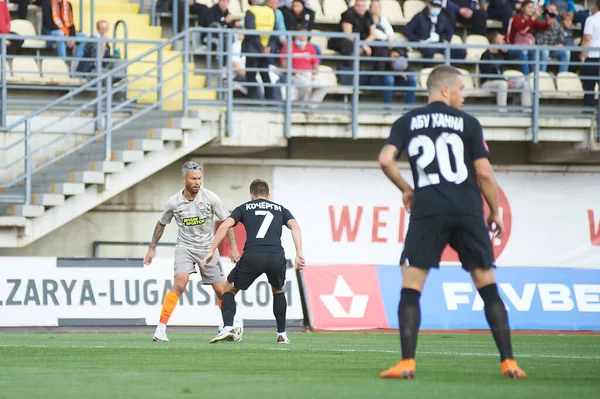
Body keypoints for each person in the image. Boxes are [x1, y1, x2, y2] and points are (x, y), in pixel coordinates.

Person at [378, 65, 526, 380]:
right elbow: (484, 173)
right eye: (461, 89)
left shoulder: (407, 121)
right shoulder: (469, 123)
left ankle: (406, 363)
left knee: (411, 288)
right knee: (487, 287)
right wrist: (495, 210)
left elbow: (385, 159)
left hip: (428, 209)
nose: (465, 95)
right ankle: (509, 363)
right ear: (444, 89)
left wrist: (407, 189)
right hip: (468, 209)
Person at [144, 161, 241, 342]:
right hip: (185, 248)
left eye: (199, 178)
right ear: (184, 179)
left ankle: (230, 325)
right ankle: (161, 328)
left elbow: (227, 222)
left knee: (222, 291)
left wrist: (234, 247)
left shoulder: (211, 198)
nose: (197, 182)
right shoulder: (174, 202)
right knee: (180, 282)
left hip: (207, 249)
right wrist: (151, 249)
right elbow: (161, 224)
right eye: (193, 178)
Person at [202, 179, 305, 344]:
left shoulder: (244, 207)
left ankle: (228, 327)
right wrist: (299, 253)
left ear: (251, 195)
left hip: (253, 255)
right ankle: (282, 334)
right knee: (278, 291)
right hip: (276, 255)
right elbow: (295, 226)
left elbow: (225, 225)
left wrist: (211, 250)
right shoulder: (280, 209)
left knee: (228, 289)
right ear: (268, 196)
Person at [480, 32, 532, 111]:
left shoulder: (501, 54)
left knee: (524, 83)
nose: (503, 39)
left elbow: (511, 63)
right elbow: (489, 75)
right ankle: (502, 111)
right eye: (500, 38)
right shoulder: (485, 55)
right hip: (488, 82)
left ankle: (527, 110)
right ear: (495, 41)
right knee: (503, 84)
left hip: (503, 80)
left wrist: (506, 51)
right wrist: (506, 81)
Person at [280, 27, 328, 106]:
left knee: (324, 85)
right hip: (295, 75)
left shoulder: (311, 47)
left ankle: (310, 107)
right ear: (295, 36)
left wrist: (314, 74)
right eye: (300, 35)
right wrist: (296, 72)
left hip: (309, 75)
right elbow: (283, 65)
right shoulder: (288, 46)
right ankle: (301, 105)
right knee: (306, 85)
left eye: (304, 35)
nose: (302, 37)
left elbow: (315, 64)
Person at [579, 0, 600, 108]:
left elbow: (587, 38)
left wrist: (583, 54)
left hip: (593, 57)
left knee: (589, 87)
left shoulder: (591, 19)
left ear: (596, 6)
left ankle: (588, 113)